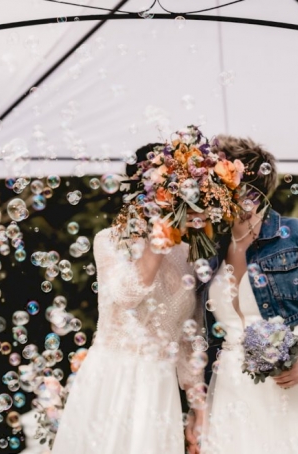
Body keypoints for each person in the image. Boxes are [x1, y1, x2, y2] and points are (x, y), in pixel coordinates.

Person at [187, 136, 298, 454]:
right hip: (233, 390)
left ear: (250, 191)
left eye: (216, 184)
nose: (208, 195)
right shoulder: (210, 250)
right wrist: (198, 408)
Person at [51, 143, 204, 454]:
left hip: (159, 386)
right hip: (112, 378)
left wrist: (198, 408)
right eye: (166, 188)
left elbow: (190, 338)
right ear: (143, 192)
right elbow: (126, 295)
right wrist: (157, 244)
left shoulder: (189, 253)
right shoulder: (109, 241)